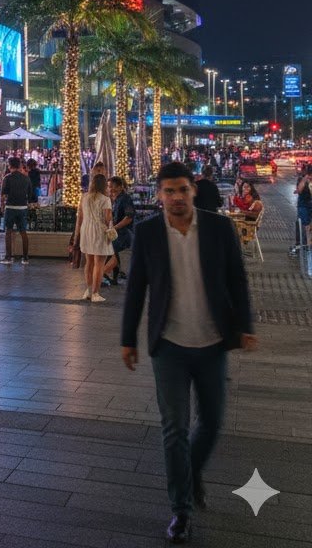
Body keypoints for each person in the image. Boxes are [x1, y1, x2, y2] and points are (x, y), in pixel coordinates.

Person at [121, 161, 257, 544]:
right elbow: (136, 289)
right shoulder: (147, 233)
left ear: (193, 190)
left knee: (212, 421)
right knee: (174, 430)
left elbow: (237, 279)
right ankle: (180, 511)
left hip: (213, 343)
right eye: (169, 191)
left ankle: (190, 470)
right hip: (169, 347)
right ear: (159, 194)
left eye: (183, 189)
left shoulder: (218, 228)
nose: (176, 197)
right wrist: (127, 338)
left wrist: (245, 325)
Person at [73, 173, 114, 302]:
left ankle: (89, 290)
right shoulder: (105, 199)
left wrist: (76, 235)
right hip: (99, 231)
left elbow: (80, 217)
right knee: (99, 263)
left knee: (89, 262)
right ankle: (96, 293)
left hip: (86, 230)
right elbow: (108, 219)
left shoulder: (84, 197)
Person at [0, 157, 33, 264]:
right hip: (23, 207)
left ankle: (8, 257)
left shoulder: (7, 178)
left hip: (10, 208)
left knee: (8, 232)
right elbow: (30, 195)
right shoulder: (26, 178)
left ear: (9, 166)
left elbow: (3, 195)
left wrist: (2, 207)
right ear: (19, 166)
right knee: (23, 232)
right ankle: (25, 258)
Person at [103, 176, 135, 285]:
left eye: (113, 187)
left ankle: (101, 274)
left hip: (124, 233)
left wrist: (115, 227)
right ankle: (113, 278)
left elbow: (129, 217)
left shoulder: (125, 199)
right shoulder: (115, 199)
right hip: (117, 232)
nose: (111, 189)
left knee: (115, 255)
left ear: (121, 187)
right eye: (109, 187)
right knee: (114, 253)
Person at [296, 165, 312, 247]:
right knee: (304, 224)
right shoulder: (302, 179)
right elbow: (299, 190)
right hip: (304, 205)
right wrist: (305, 179)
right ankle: (304, 244)